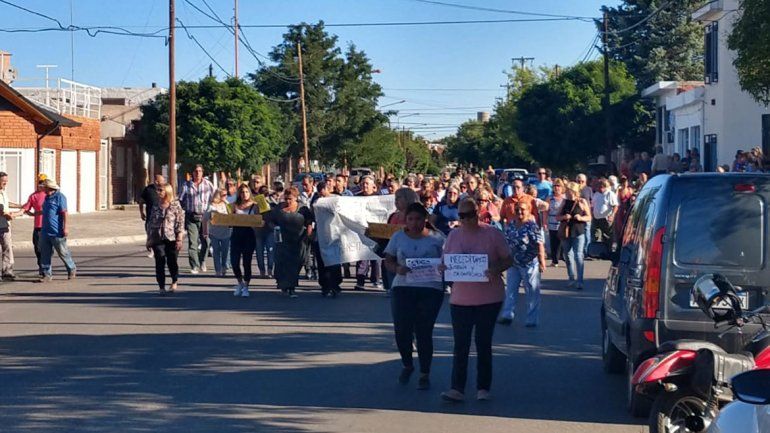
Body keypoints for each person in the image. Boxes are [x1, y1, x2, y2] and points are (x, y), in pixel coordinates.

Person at [440, 198, 513, 402]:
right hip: (461, 299)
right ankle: (457, 388)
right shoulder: (453, 235)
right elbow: (446, 260)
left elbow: (508, 259)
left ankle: (483, 387)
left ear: (477, 213)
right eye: (461, 216)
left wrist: (495, 269)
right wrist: (443, 268)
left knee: (483, 343)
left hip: (488, 298)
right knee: (460, 345)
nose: (466, 220)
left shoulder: (492, 233)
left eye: (469, 215)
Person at [384, 203, 446, 390]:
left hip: (430, 288)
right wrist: (397, 269)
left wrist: (445, 267)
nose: (414, 222)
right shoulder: (398, 236)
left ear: (425, 219)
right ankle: (408, 364)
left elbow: (450, 258)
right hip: (403, 287)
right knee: (402, 330)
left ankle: (424, 373)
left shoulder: (437, 238)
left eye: (418, 218)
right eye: (410, 219)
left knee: (423, 331)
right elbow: (388, 260)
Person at [499, 200, 546, 327]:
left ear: (529, 210)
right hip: (513, 263)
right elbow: (506, 242)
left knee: (531, 292)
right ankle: (507, 315)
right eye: (518, 209)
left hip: (529, 263)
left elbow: (539, 243)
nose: (520, 211)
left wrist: (542, 261)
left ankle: (531, 319)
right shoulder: (511, 225)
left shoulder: (532, 226)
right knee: (510, 290)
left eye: (523, 209)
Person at [269, 187, 313, 298]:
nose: (288, 201)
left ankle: (291, 287)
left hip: (298, 240)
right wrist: (275, 228)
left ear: (296, 198)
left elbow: (309, 222)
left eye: (290, 199)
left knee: (295, 264)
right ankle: (285, 286)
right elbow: (270, 221)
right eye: (286, 198)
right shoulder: (279, 208)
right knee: (282, 264)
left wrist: (308, 234)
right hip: (282, 240)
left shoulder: (302, 208)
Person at [145, 184, 185, 295]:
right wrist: (149, 239)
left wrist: (179, 238)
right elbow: (151, 223)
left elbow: (180, 222)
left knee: (172, 261)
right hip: (157, 238)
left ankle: (174, 280)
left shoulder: (175, 205)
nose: (158, 192)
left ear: (167, 191)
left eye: (161, 190)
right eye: (158, 190)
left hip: (172, 238)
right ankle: (161, 286)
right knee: (159, 260)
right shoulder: (155, 205)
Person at [178, 164, 215, 274]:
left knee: (206, 242)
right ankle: (194, 265)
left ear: (202, 172)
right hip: (191, 216)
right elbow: (180, 199)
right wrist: (184, 209)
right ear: (192, 173)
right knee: (192, 242)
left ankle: (202, 261)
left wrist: (211, 211)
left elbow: (214, 199)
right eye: (195, 171)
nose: (198, 173)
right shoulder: (186, 185)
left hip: (205, 217)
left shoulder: (208, 185)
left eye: (199, 171)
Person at [39, 179, 76, 282]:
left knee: (63, 252)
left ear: (49, 187)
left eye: (44, 186)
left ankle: (71, 268)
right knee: (45, 253)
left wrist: (65, 227)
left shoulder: (60, 197)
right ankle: (47, 274)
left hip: (57, 231)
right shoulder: (46, 198)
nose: (43, 188)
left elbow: (64, 213)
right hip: (45, 230)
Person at [310, 181, 342, 297]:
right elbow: (313, 213)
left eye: (322, 191)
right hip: (321, 234)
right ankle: (325, 285)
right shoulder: (316, 200)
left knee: (335, 261)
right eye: (319, 192)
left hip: (334, 235)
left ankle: (335, 284)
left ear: (327, 189)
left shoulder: (336, 199)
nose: (321, 194)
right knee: (322, 261)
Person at [559, 182, 591, 290]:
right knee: (567, 255)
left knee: (578, 255)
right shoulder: (564, 202)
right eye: (566, 190)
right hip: (566, 232)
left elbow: (589, 217)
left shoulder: (582, 202)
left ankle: (580, 280)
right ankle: (571, 277)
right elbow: (557, 217)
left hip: (578, 231)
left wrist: (581, 218)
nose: (567, 192)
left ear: (574, 191)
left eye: (568, 190)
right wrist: (564, 216)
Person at [18, 174, 49, 276]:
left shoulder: (49, 195)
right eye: (40, 182)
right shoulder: (33, 196)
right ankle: (42, 267)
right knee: (38, 248)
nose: (41, 185)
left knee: (49, 249)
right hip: (38, 226)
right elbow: (26, 208)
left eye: (43, 183)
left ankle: (47, 269)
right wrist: (32, 214)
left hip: (48, 226)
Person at [230, 184, 258, 298]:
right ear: (239, 194)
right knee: (234, 262)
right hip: (236, 234)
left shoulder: (255, 206)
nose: (244, 194)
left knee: (247, 261)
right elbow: (229, 219)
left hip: (249, 235)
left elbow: (259, 219)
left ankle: (246, 286)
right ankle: (240, 282)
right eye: (242, 192)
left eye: (246, 192)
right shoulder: (234, 205)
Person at [355, 176, 382, 290]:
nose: (365, 186)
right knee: (362, 257)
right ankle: (360, 281)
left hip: (376, 230)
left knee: (376, 257)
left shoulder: (379, 197)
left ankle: (376, 280)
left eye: (367, 184)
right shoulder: (356, 198)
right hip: (362, 231)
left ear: (373, 185)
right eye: (363, 184)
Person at [204, 188, 232, 277]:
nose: (225, 197)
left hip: (226, 232)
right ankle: (218, 270)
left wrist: (227, 204)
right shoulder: (211, 206)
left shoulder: (227, 204)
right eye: (223, 195)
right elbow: (204, 219)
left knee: (225, 251)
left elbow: (232, 216)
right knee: (216, 251)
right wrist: (205, 231)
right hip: (214, 232)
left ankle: (224, 266)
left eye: (226, 195)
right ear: (218, 195)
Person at [591, 179, 618, 249]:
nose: (600, 188)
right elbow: (593, 205)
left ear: (605, 186)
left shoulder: (610, 194)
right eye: (599, 187)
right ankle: (596, 250)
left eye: (602, 187)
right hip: (596, 218)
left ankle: (609, 250)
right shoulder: (596, 194)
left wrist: (612, 215)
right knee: (595, 235)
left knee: (607, 236)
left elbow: (615, 206)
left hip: (606, 218)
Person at [546, 179, 566, 267]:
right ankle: (555, 260)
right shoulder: (549, 198)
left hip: (562, 223)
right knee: (553, 242)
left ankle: (565, 258)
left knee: (563, 242)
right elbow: (545, 211)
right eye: (555, 186)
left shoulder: (565, 198)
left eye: (558, 186)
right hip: (552, 222)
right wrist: (544, 222)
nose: (557, 188)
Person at [0, 172, 14, 280]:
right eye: (3, 181)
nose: (5, 183)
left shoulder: (3, 192)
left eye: (6, 181)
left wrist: (22, 206)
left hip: (5, 224)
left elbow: (7, 204)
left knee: (7, 247)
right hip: (2, 220)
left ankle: (7, 271)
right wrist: (6, 215)